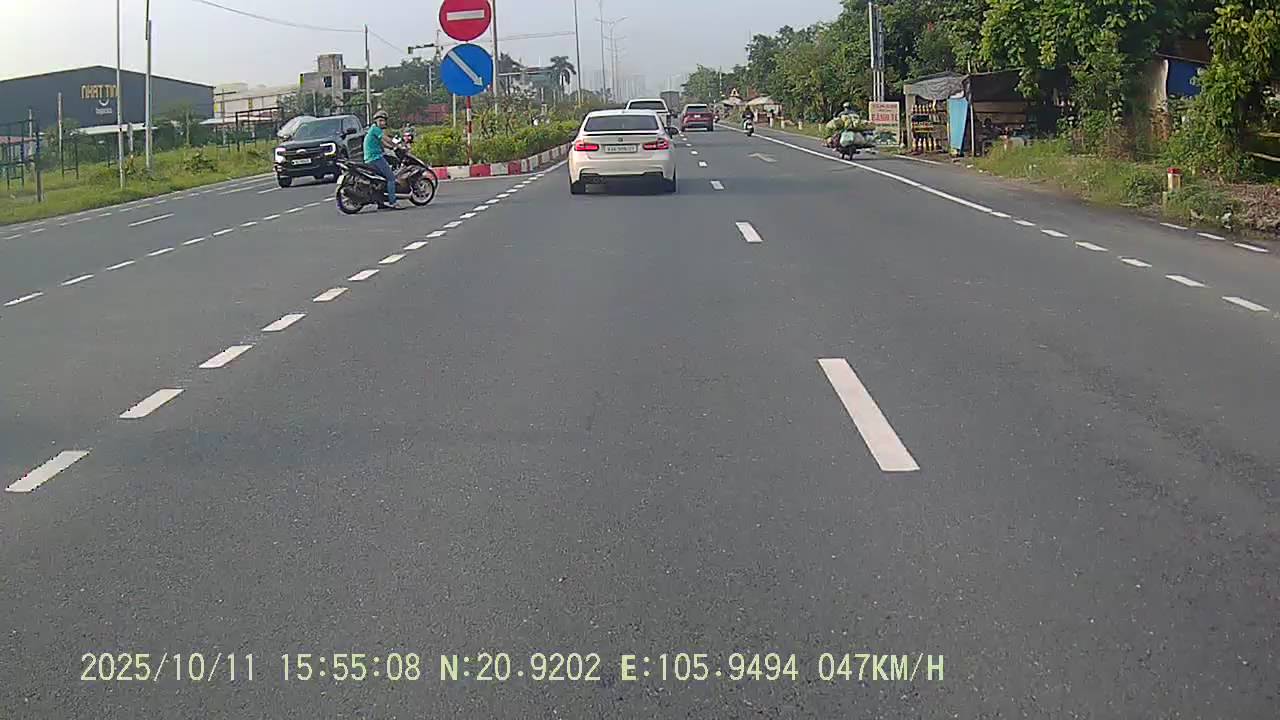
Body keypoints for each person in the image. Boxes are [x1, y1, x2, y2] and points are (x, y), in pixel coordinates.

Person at [364, 110, 399, 210]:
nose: (382, 123)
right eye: (380, 120)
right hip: (375, 158)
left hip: (370, 158)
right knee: (391, 178)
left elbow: (383, 143)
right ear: (376, 121)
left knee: (381, 179)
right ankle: (393, 202)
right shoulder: (375, 129)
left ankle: (380, 202)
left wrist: (392, 147)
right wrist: (397, 144)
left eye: (383, 121)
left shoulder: (373, 130)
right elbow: (386, 139)